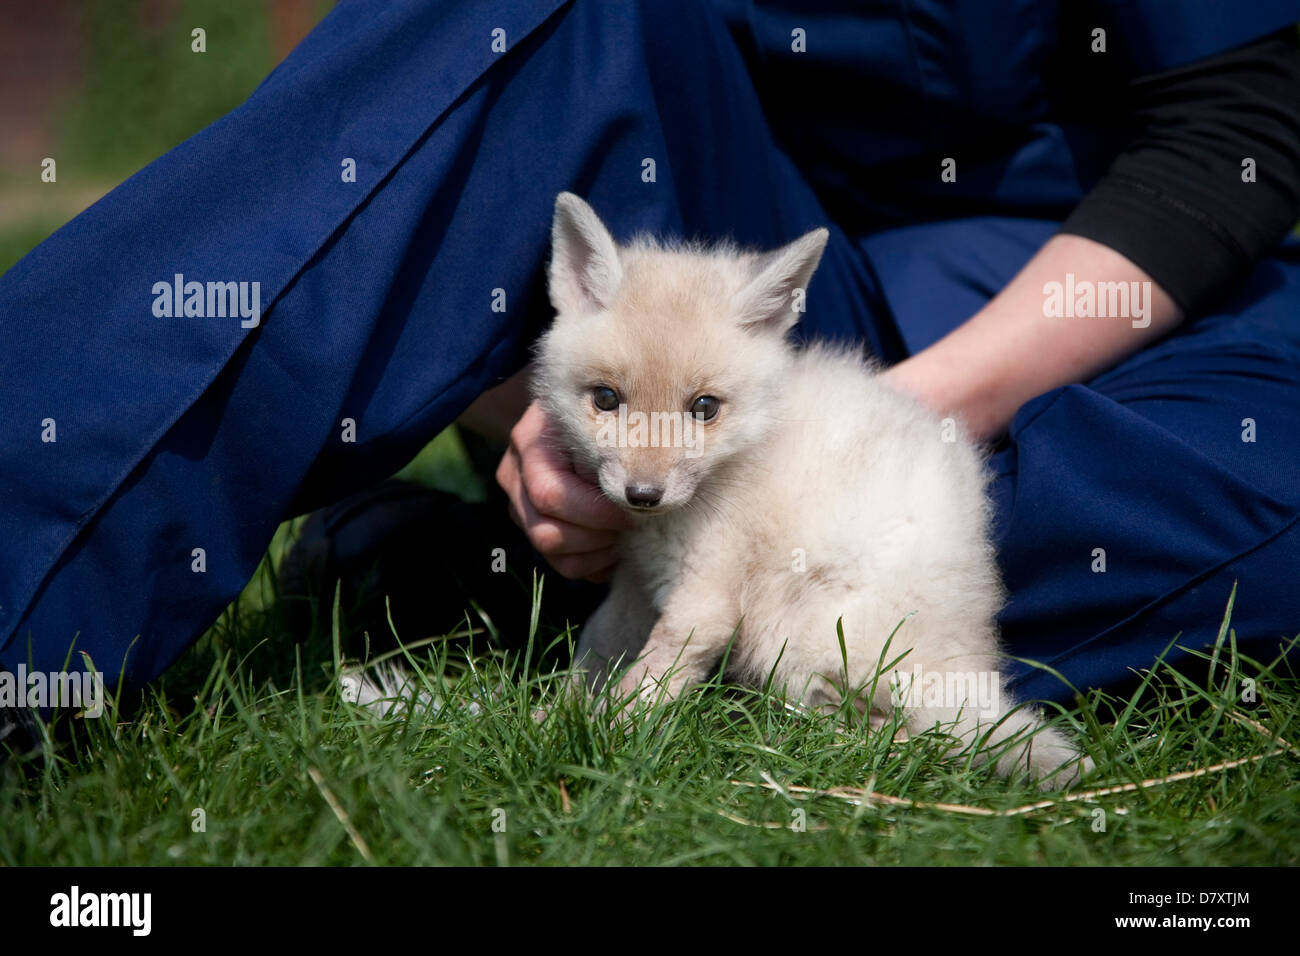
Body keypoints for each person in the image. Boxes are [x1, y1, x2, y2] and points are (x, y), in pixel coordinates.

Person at [2, 1, 1299, 752]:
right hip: (735, 259)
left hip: (1118, 312)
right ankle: (29, 542)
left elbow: (1243, 121)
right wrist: (552, 388)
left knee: (1259, 488)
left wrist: (871, 433)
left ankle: (525, 585)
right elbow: (440, 105)